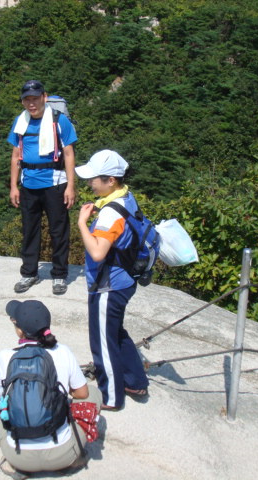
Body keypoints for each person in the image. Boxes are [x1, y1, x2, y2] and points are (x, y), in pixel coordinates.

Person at [0, 299, 102, 477]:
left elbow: (0, 394)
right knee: (94, 393)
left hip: (18, 457)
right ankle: (75, 459)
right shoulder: (62, 351)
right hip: (63, 455)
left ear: (19, 330)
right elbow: (82, 393)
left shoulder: (4, 357)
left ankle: (13, 464)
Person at [75, 150, 150, 411]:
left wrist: (83, 224)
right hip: (125, 279)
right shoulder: (126, 198)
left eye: (93, 179)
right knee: (116, 333)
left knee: (102, 342)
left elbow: (97, 252)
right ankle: (135, 381)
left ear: (110, 180)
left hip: (109, 285)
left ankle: (110, 397)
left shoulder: (110, 213)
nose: (89, 183)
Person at [7, 80, 77, 295]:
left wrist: (71, 187)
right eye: (27, 99)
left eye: (35, 98)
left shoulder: (59, 121)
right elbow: (16, 156)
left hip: (55, 183)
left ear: (44, 97)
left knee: (59, 231)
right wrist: (13, 186)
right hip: (28, 184)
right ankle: (29, 273)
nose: (31, 103)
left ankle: (59, 275)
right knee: (29, 230)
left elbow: (68, 153)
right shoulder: (20, 122)